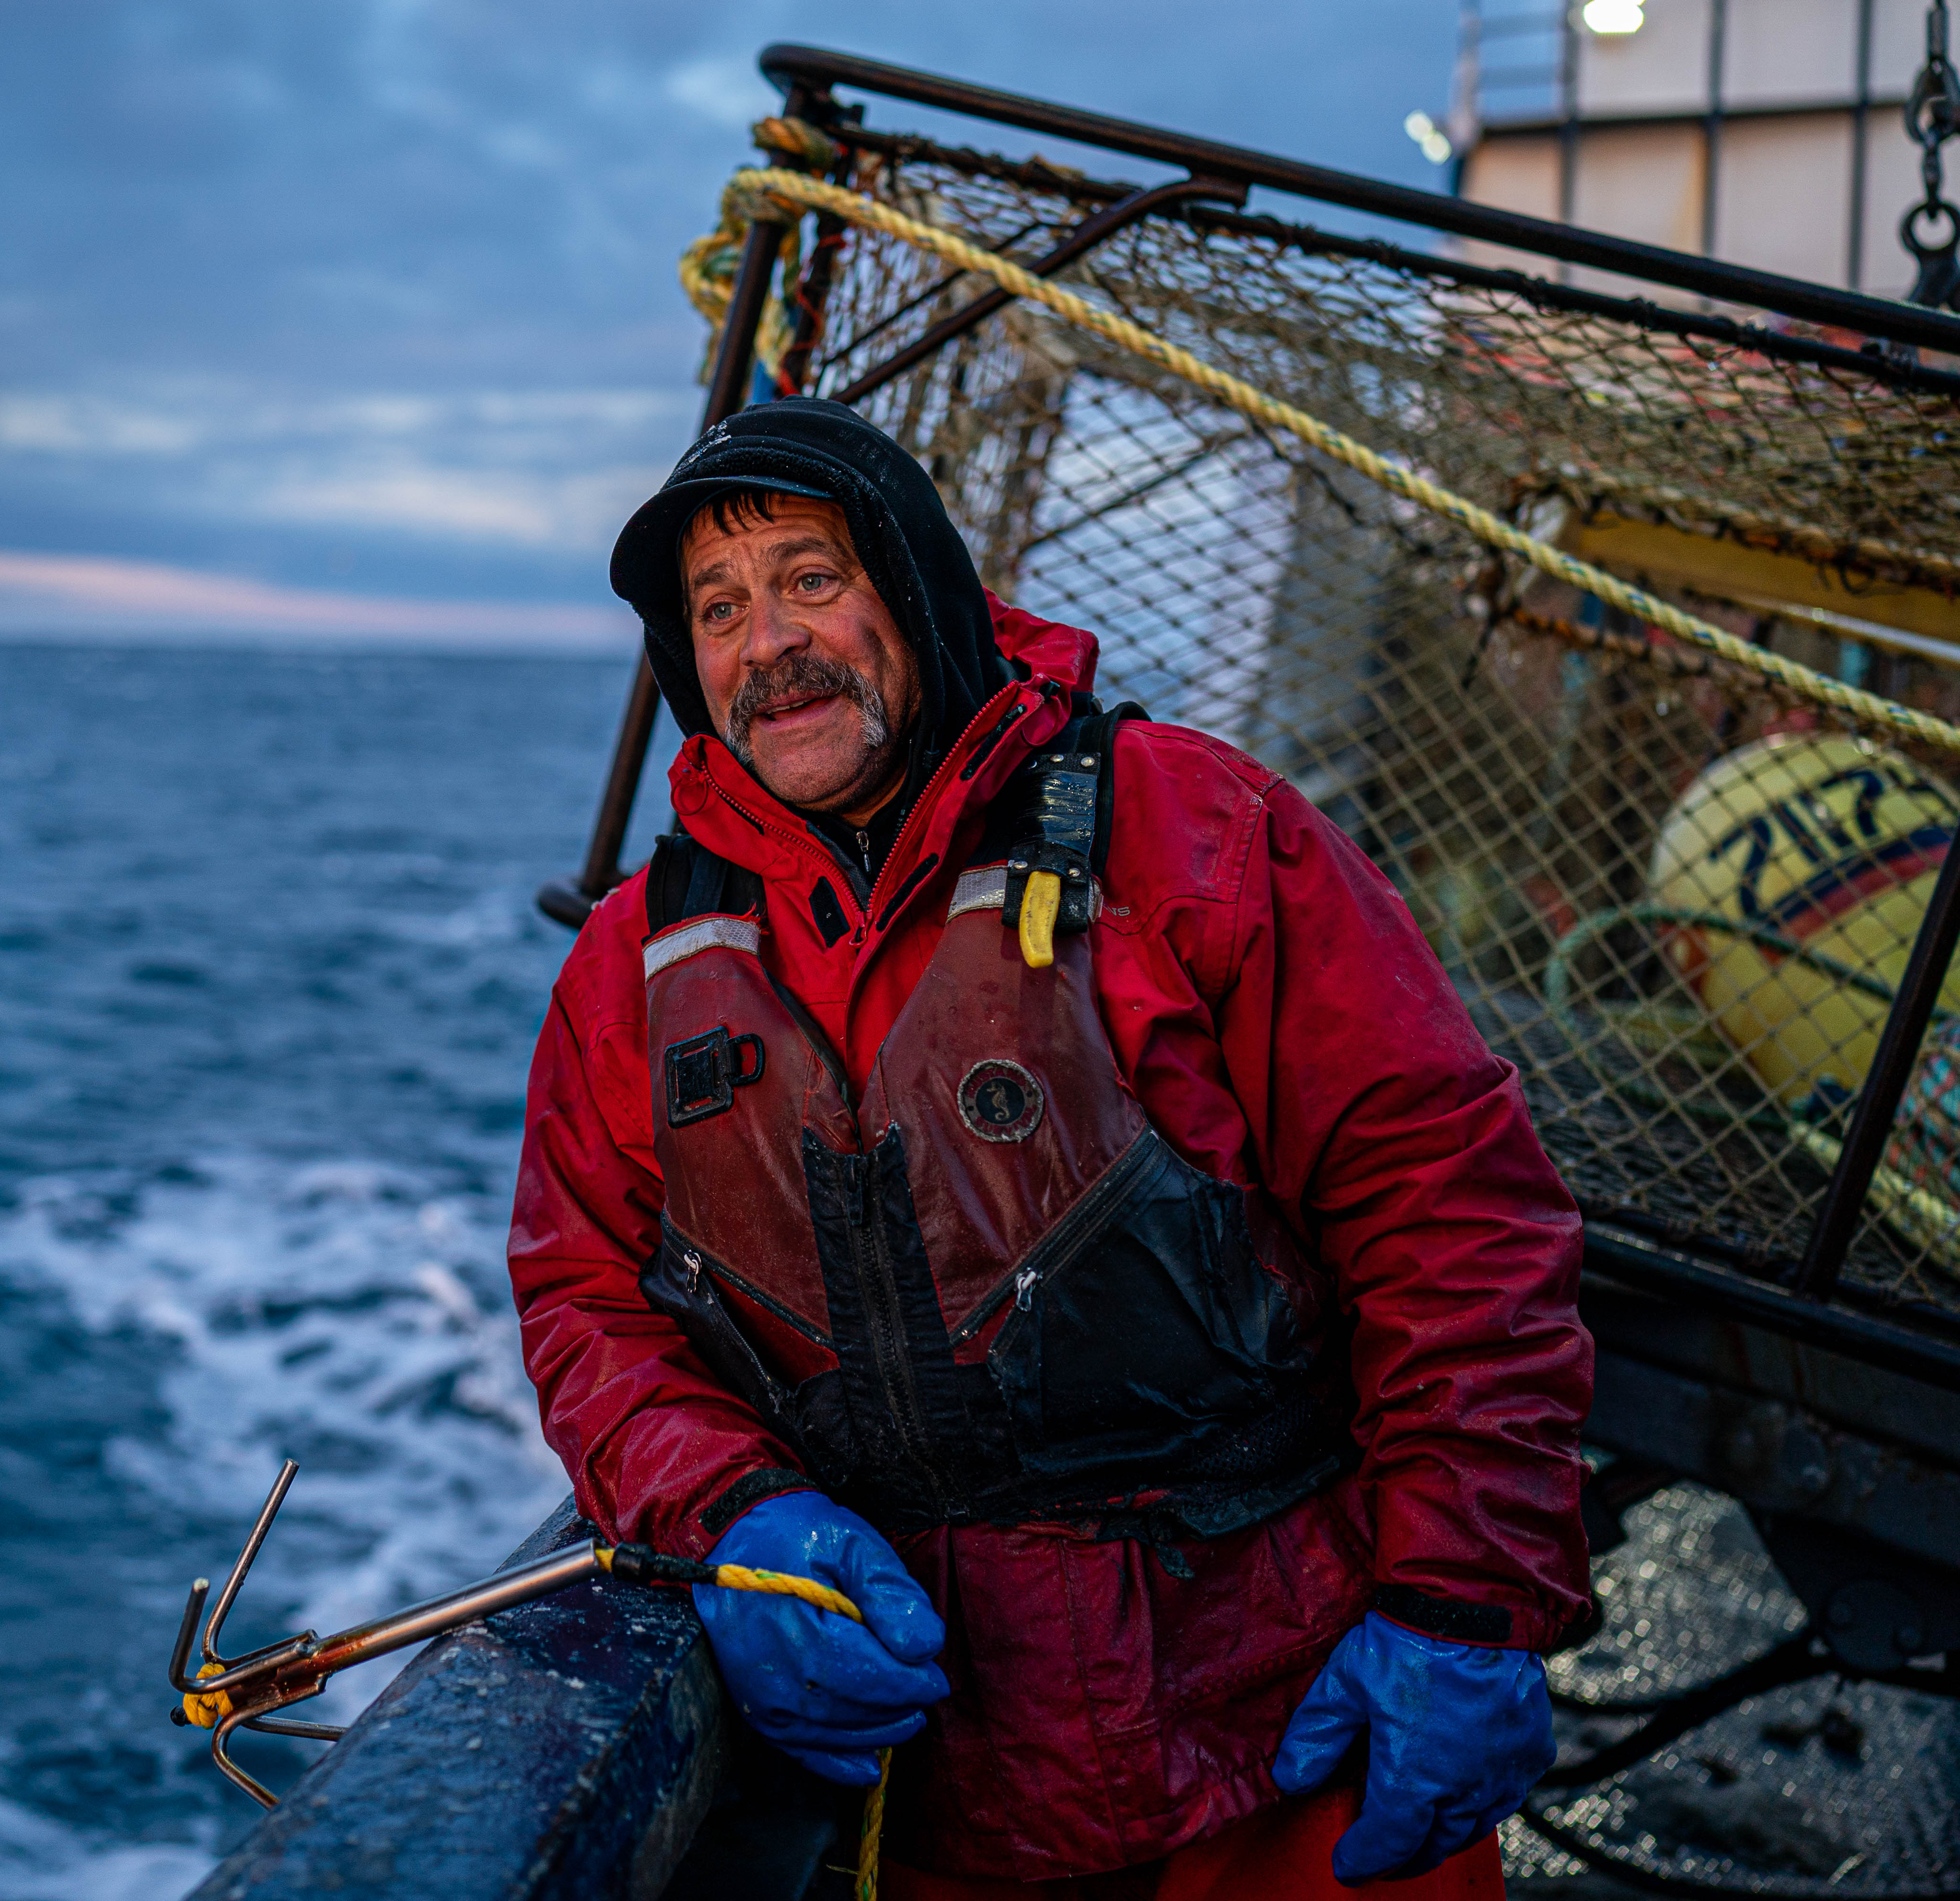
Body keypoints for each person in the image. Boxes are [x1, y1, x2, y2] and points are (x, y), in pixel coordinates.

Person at [506, 399, 1593, 1899]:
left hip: (1285, 1751)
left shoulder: (1195, 835)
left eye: (812, 578)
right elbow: (589, 1303)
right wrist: (736, 1514)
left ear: (919, 583)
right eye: (718, 609)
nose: (769, 643)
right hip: (924, 1790)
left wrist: (1466, 1606)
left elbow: (1450, 1213)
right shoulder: (636, 965)